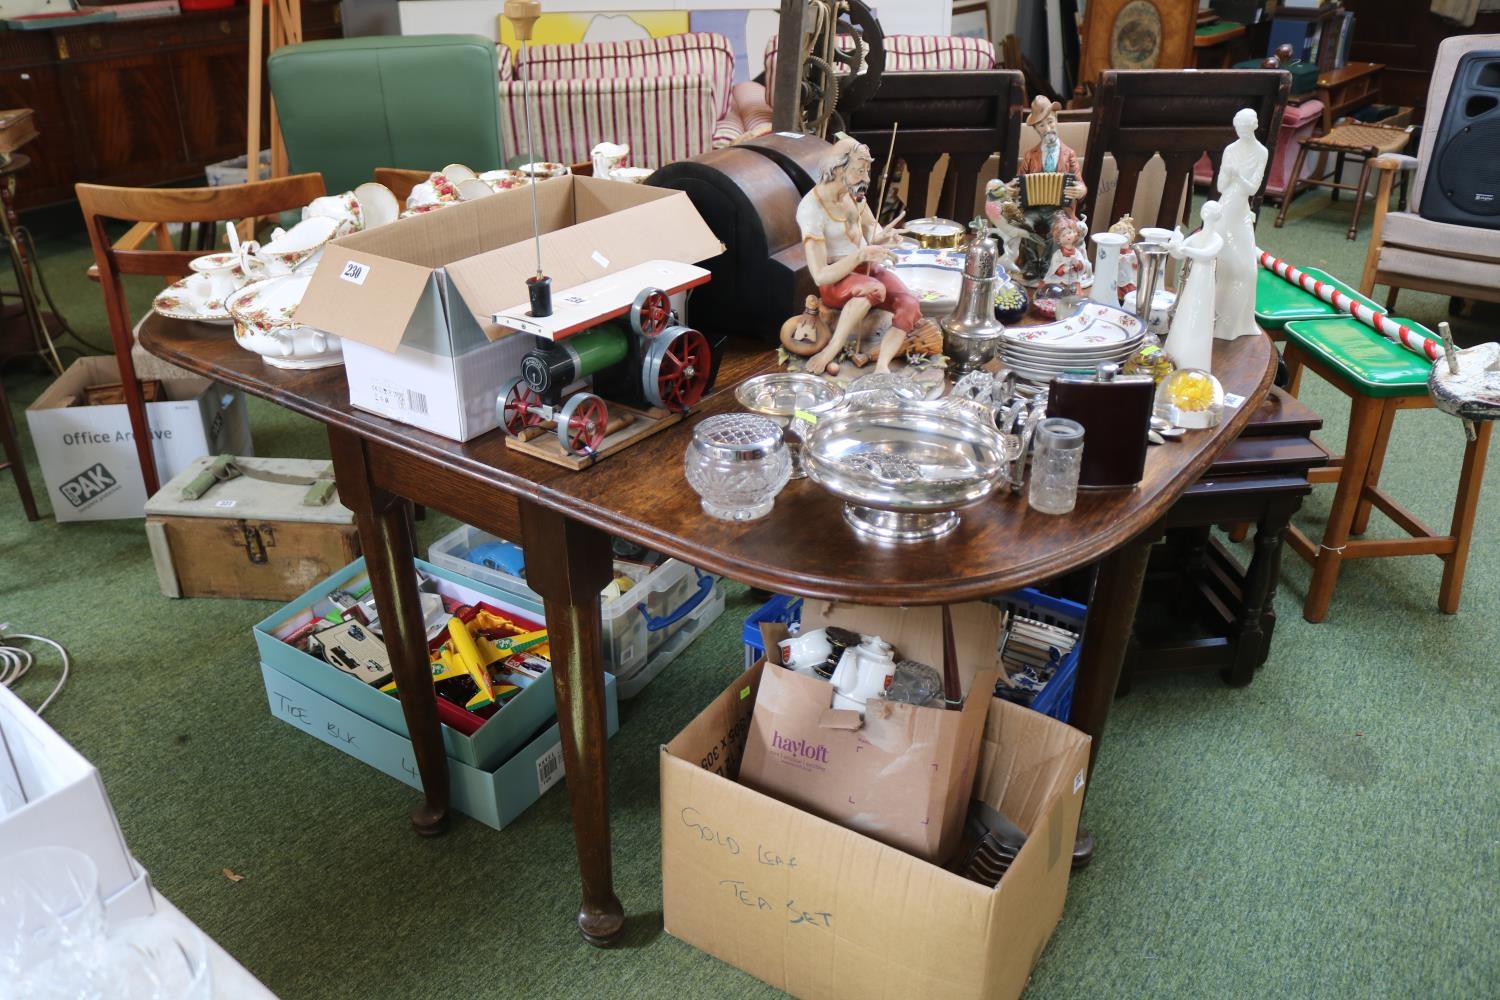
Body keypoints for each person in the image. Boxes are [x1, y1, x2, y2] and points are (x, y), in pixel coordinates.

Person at [797, 135, 927, 375]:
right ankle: (832, 349)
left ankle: (882, 366)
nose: (866, 179)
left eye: (867, 171)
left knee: (909, 304)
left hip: (867, 271)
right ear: (838, 169)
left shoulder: (853, 195)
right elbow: (820, 275)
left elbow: (870, 229)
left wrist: (886, 236)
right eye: (860, 171)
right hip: (837, 280)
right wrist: (860, 255)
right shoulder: (811, 210)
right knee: (874, 288)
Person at [1214, 108, 1267, 341]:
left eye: (1246, 127)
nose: (1242, 131)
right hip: (1226, 207)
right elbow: (1220, 186)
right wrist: (1229, 174)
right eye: (1239, 127)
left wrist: (1238, 175)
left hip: (1242, 210)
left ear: (1253, 126)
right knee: (1223, 264)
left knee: (1248, 268)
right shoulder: (1230, 149)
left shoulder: (1261, 152)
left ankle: (1239, 323)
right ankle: (1217, 321)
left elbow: (1253, 189)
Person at [1165, 201, 1225, 373]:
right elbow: (1179, 253)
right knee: (1186, 308)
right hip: (1193, 278)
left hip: (1205, 278)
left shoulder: (1217, 239)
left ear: (1217, 215)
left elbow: (1206, 255)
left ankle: (1195, 359)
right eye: (1205, 208)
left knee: (1201, 312)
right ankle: (1175, 352)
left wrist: (1184, 250)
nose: (1207, 212)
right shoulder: (1197, 236)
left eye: (1211, 210)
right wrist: (1173, 246)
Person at [1009, 96, 1088, 206]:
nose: (1047, 129)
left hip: (1060, 211)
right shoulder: (1029, 156)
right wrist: (1009, 189)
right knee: (1018, 223)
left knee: (1062, 224)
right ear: (1036, 129)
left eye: (1050, 121)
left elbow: (1080, 184)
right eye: (1041, 125)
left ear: (1056, 119)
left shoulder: (1069, 154)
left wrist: (1081, 190)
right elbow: (1017, 183)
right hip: (1033, 208)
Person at [1046, 214, 1091, 299]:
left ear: (1074, 233)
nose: (1068, 236)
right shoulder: (1058, 254)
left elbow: (1082, 267)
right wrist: (1062, 269)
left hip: (1073, 282)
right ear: (1058, 240)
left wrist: (1077, 264)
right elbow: (1054, 268)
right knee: (1059, 296)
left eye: (1069, 232)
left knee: (1074, 297)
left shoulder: (1077, 253)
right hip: (1061, 283)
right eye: (1063, 235)